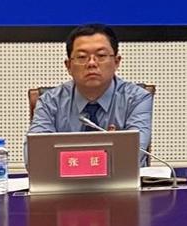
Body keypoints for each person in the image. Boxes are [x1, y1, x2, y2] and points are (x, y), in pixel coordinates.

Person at [28, 23, 153, 163]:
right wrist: (110, 151)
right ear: (68, 66)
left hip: (123, 179)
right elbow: (34, 157)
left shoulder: (137, 99)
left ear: (116, 62)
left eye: (101, 55)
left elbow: (134, 155)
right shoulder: (50, 102)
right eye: (82, 57)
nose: (92, 63)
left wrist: (68, 157)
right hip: (66, 177)